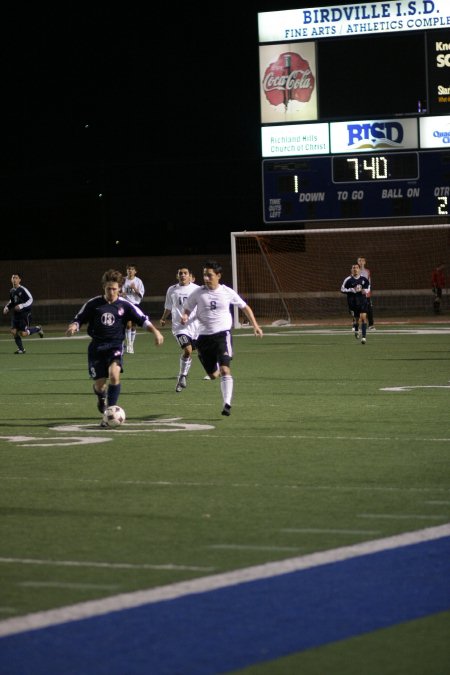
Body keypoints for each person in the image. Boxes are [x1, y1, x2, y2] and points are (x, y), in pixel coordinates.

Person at [66, 269, 163, 425]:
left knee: (114, 375)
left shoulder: (125, 305)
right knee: (100, 385)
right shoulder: (94, 304)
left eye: (114, 289)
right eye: (108, 288)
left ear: (120, 289)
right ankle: (100, 397)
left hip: (115, 346)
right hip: (97, 348)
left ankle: (109, 411)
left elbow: (143, 320)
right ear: (104, 287)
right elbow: (79, 318)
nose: (111, 292)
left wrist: (156, 333)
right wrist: (74, 327)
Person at [181, 259, 263, 416]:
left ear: (218, 275)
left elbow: (245, 307)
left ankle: (227, 403)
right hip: (203, 337)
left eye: (209, 275)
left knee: (226, 370)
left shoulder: (227, 292)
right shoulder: (197, 293)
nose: (206, 278)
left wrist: (256, 326)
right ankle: (216, 370)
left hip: (222, 335)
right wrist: (185, 316)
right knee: (213, 375)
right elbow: (187, 308)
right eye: (204, 275)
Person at [160, 266, 201, 392]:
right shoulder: (172, 290)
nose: (183, 275)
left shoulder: (197, 289)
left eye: (185, 273)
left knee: (192, 352)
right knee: (188, 350)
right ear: (177, 276)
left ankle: (182, 376)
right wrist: (163, 318)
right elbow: (168, 306)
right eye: (180, 273)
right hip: (179, 327)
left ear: (190, 276)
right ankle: (183, 376)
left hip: (195, 327)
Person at [3, 273, 44, 353]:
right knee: (13, 331)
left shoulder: (23, 289)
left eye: (16, 278)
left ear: (19, 280)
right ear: (11, 280)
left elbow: (30, 299)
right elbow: (12, 301)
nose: (14, 279)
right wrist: (7, 307)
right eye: (13, 278)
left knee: (23, 333)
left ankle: (38, 329)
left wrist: (21, 306)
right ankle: (21, 349)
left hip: (24, 314)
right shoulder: (12, 291)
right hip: (16, 315)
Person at [341, 262, 370, 344]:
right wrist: (351, 290)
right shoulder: (348, 280)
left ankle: (364, 337)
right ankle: (356, 330)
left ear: (359, 269)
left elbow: (368, 288)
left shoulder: (364, 279)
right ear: (351, 270)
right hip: (353, 302)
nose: (355, 269)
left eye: (356, 268)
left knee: (364, 318)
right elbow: (342, 289)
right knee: (357, 320)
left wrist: (365, 291)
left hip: (362, 301)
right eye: (353, 268)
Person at [121, 264, 145, 353]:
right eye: (128, 269)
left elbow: (141, 295)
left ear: (135, 271)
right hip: (126, 304)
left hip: (135, 304)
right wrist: (121, 294)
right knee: (128, 325)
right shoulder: (123, 280)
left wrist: (135, 289)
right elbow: (118, 292)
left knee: (134, 326)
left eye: (132, 269)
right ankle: (128, 344)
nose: (130, 271)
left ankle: (131, 344)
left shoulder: (138, 281)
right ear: (126, 271)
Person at [357, 256, 375, 330]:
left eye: (362, 261)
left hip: (366, 294)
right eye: (360, 261)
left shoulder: (367, 271)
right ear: (358, 262)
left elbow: (369, 282)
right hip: (358, 294)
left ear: (365, 262)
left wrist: (366, 290)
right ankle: (356, 325)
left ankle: (371, 325)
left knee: (369, 309)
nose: (361, 262)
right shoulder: (355, 270)